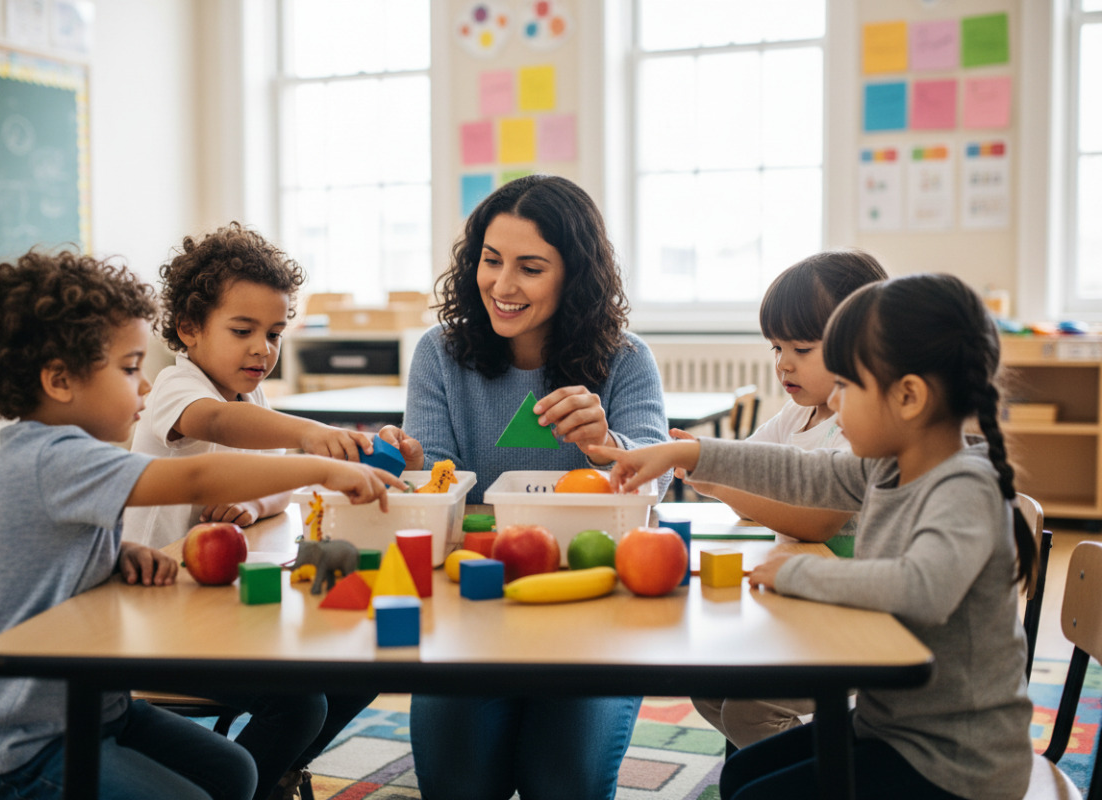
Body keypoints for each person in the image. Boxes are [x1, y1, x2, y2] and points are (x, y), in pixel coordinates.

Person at [0, 250, 401, 800]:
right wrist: (324, 459)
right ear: (60, 380)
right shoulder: (49, 458)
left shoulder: (72, 456)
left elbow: (50, 558)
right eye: (130, 368)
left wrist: (117, 555)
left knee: (236, 774)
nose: (143, 385)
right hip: (22, 743)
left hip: (99, 708)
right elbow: (197, 478)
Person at [591, 273, 1036, 800]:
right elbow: (799, 471)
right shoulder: (888, 467)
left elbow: (922, 589)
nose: (835, 404)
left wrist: (799, 571)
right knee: (740, 776)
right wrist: (689, 454)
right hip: (891, 729)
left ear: (909, 397)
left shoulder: (964, 486)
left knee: (757, 795)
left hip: (955, 763)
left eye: (846, 387)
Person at [377, 174, 669, 800]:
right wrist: (415, 471)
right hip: (473, 609)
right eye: (490, 260)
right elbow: (439, 482)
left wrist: (608, 448)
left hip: (593, 613)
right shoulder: (440, 354)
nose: (503, 286)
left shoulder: (626, 358)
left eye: (530, 267)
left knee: (564, 783)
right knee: (457, 783)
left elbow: (657, 473)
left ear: (575, 276)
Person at [123, 223, 378, 800]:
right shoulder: (176, 385)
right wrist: (312, 434)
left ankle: (274, 770)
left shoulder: (252, 396)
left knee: (365, 661)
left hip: (222, 612)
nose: (263, 348)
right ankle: (247, 787)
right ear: (189, 329)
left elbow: (279, 484)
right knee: (298, 704)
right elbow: (217, 425)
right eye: (243, 330)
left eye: (275, 332)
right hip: (157, 619)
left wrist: (252, 500)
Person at [684, 249, 887, 749]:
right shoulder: (798, 418)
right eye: (776, 347)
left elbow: (815, 522)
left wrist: (717, 481)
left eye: (801, 347)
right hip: (805, 602)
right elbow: (745, 470)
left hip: (864, 623)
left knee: (753, 709)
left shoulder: (861, 428)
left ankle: (808, 776)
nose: (783, 364)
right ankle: (776, 773)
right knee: (708, 686)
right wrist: (711, 466)